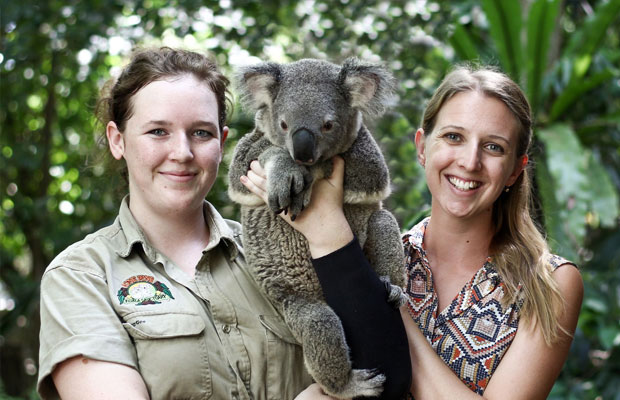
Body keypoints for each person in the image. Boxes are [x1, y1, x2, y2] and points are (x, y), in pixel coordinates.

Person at [242, 64, 583, 399]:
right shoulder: (380, 250)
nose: (469, 161)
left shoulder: (549, 283)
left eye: (493, 147)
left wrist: (385, 304)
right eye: (453, 137)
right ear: (422, 147)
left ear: (514, 172)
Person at [37, 47, 315, 400]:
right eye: (157, 132)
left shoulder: (280, 250)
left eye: (201, 133)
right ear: (117, 140)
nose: (182, 152)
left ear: (222, 142)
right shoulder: (81, 276)